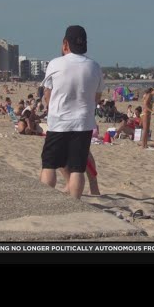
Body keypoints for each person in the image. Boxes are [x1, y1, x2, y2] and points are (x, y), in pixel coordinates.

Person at [40, 25, 104, 199]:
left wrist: (52, 107)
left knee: (49, 165)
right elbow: (96, 98)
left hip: (58, 121)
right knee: (77, 168)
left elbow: (47, 93)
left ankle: (46, 200)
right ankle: (75, 202)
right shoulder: (94, 66)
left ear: (65, 43)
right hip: (83, 122)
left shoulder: (55, 63)